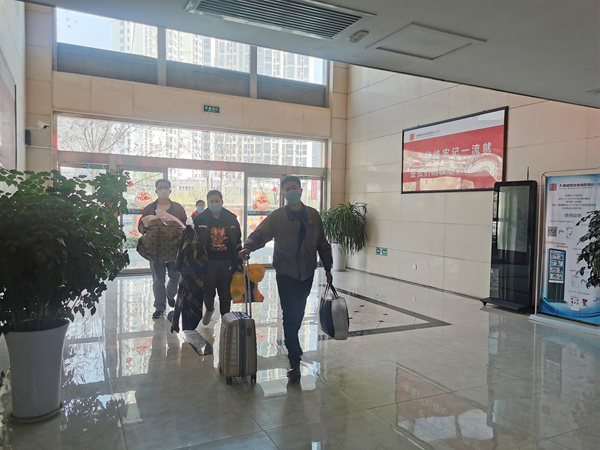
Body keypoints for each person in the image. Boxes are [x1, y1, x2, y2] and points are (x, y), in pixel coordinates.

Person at [239, 176, 333, 379]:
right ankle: (294, 357)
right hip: (285, 273)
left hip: (307, 273)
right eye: (287, 189)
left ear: (301, 190)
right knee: (290, 314)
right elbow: (260, 234)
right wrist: (248, 247)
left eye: (294, 188)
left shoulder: (313, 215)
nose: (291, 191)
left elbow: (322, 243)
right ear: (283, 193)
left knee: (298, 312)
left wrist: (328, 267)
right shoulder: (277, 216)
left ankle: (293, 344)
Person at [138, 179, 187, 319]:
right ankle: (159, 307)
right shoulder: (149, 209)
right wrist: (147, 231)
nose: (163, 190)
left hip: (174, 249)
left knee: (175, 275)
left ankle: (170, 294)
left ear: (170, 190)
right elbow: (141, 226)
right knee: (158, 280)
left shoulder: (178, 208)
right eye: (160, 187)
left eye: (166, 187)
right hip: (155, 249)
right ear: (156, 190)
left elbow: (184, 225)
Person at [193, 190, 242, 324]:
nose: (215, 203)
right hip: (207, 262)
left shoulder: (231, 219)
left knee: (225, 293)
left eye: (217, 201)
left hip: (227, 262)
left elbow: (237, 240)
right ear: (208, 203)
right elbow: (194, 242)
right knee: (208, 292)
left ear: (222, 201)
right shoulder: (200, 219)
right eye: (212, 201)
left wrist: (239, 262)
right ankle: (209, 309)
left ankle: (226, 320)